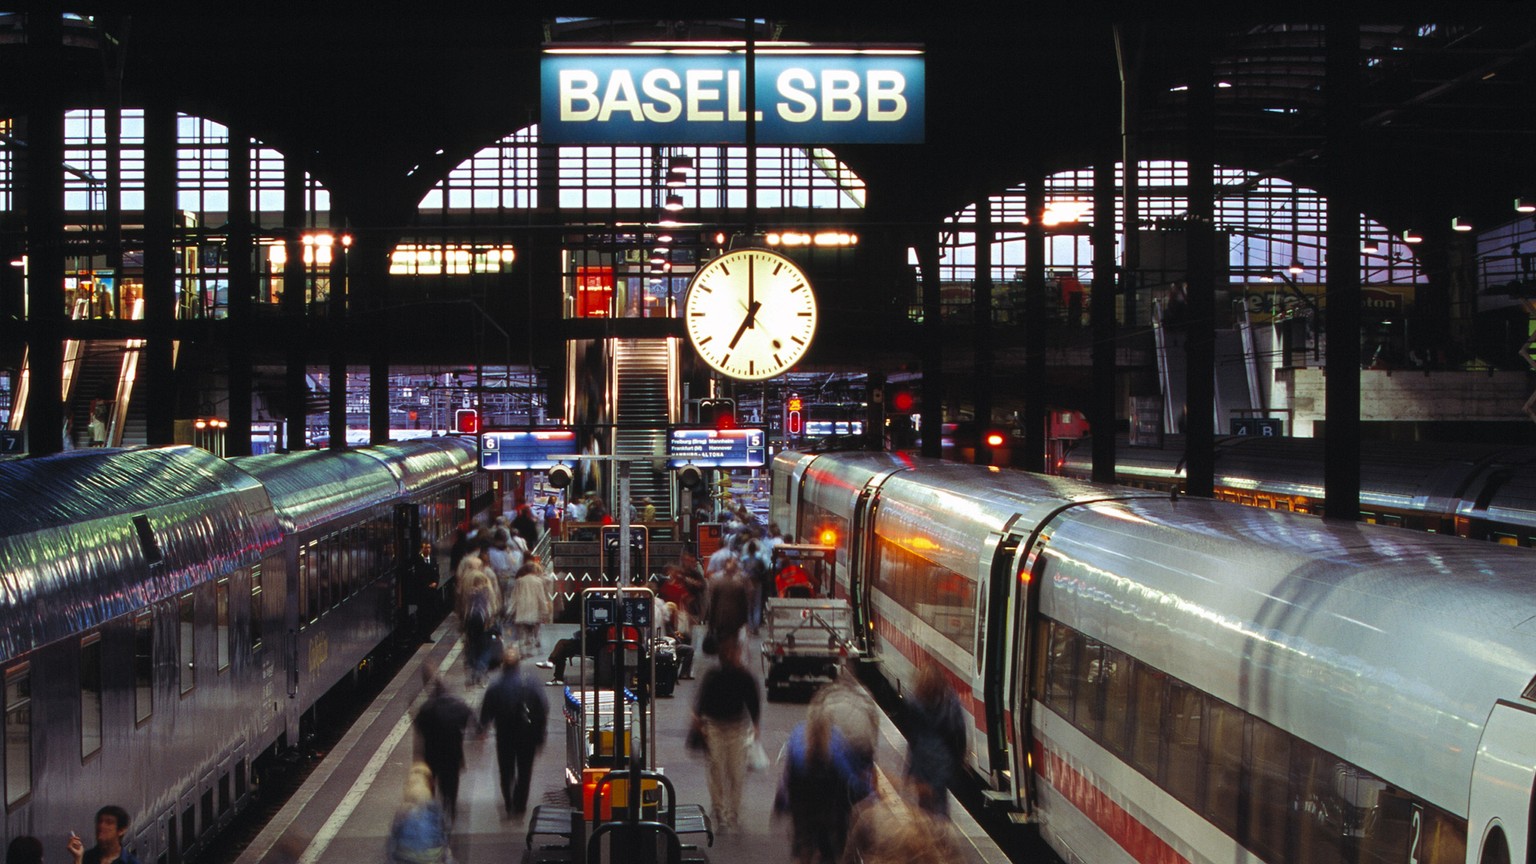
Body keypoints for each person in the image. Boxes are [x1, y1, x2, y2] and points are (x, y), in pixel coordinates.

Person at [774, 707, 873, 864]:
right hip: (830, 811)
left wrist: (783, 803)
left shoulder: (797, 735)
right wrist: (869, 790)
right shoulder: (836, 745)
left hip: (802, 807)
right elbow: (850, 780)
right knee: (830, 849)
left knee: (803, 847)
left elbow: (788, 775)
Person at [690, 639, 761, 830]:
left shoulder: (724, 675)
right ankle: (722, 810)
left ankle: (730, 811)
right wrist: (755, 724)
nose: (737, 656)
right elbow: (753, 701)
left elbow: (752, 700)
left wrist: (755, 723)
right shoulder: (730, 676)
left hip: (729, 727)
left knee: (726, 770)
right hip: (719, 727)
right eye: (735, 653)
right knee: (725, 769)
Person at [480, 647, 550, 818]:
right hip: (528, 735)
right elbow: (542, 708)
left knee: (506, 771)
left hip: (505, 735)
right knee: (525, 771)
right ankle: (520, 806)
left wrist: (482, 728)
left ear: (503, 664)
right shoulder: (531, 683)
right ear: (519, 664)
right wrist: (540, 736)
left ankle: (509, 802)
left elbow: (486, 710)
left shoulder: (496, 685)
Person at [904, 662, 966, 816]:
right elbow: (958, 733)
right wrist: (958, 760)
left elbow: (912, 738)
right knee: (940, 802)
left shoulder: (914, 703)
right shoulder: (950, 703)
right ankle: (941, 833)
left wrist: (910, 768)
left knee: (924, 805)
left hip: (922, 762)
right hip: (942, 762)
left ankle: (927, 834)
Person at [414, 671, 476, 821]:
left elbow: (419, 733)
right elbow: (472, 721)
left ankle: (433, 814)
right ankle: (451, 811)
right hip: (453, 755)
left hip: (432, 756)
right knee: (451, 787)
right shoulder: (458, 705)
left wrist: (417, 758)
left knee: (432, 786)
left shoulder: (426, 708)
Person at [385, 763, 454, 864]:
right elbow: (442, 835)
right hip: (432, 855)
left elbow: (393, 842)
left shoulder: (402, 812)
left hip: (406, 855)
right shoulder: (434, 808)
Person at [66, 805, 141, 864]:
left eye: (108, 822)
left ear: (121, 830)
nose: (101, 826)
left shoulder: (130, 862)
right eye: (100, 821)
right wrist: (78, 859)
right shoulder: (85, 858)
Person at [508, 561, 551, 656]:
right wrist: (545, 611)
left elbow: (514, 597)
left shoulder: (519, 581)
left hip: (521, 610)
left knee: (522, 632)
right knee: (533, 630)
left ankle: (523, 650)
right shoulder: (538, 581)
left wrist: (510, 610)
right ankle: (531, 648)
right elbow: (541, 597)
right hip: (533, 610)